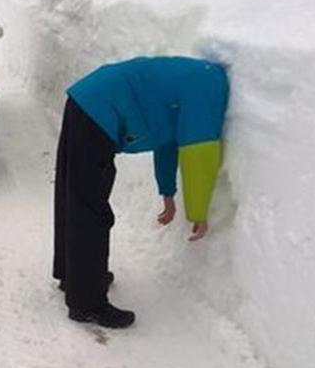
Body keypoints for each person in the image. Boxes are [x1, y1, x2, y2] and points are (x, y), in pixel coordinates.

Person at [53, 56, 229, 329]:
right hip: (99, 109)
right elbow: (198, 155)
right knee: (90, 207)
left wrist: (167, 194)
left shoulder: (196, 81)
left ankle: (75, 277)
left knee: (74, 197)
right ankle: (87, 302)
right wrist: (198, 212)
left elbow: (168, 142)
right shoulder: (208, 91)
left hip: (87, 100)